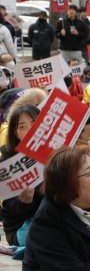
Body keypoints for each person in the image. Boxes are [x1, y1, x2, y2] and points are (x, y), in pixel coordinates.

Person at [0, 104, 42, 246]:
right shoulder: (8, 162)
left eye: (35, 123)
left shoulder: (56, 152)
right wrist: (24, 202)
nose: (30, 130)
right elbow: (9, 211)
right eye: (22, 127)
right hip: (23, 226)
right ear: (16, 133)